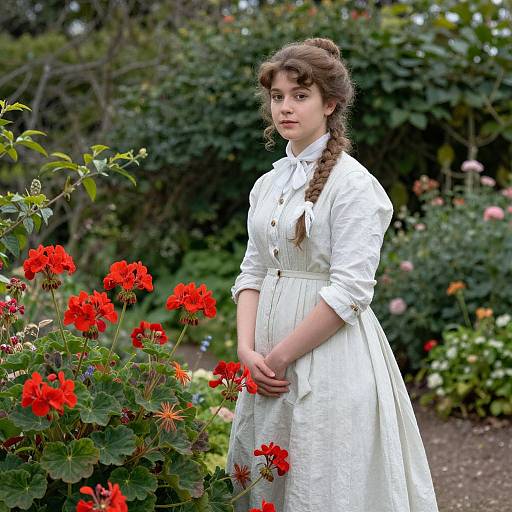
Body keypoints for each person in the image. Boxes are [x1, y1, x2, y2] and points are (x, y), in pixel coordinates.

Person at [226, 37, 439, 512]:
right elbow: (252, 269)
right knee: (263, 479)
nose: (285, 107)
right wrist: (247, 350)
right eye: (278, 96)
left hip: (327, 359)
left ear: (330, 103)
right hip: (263, 358)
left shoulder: (354, 186)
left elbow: (349, 292)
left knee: (320, 478)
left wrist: (280, 357)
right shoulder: (268, 184)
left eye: (300, 96)